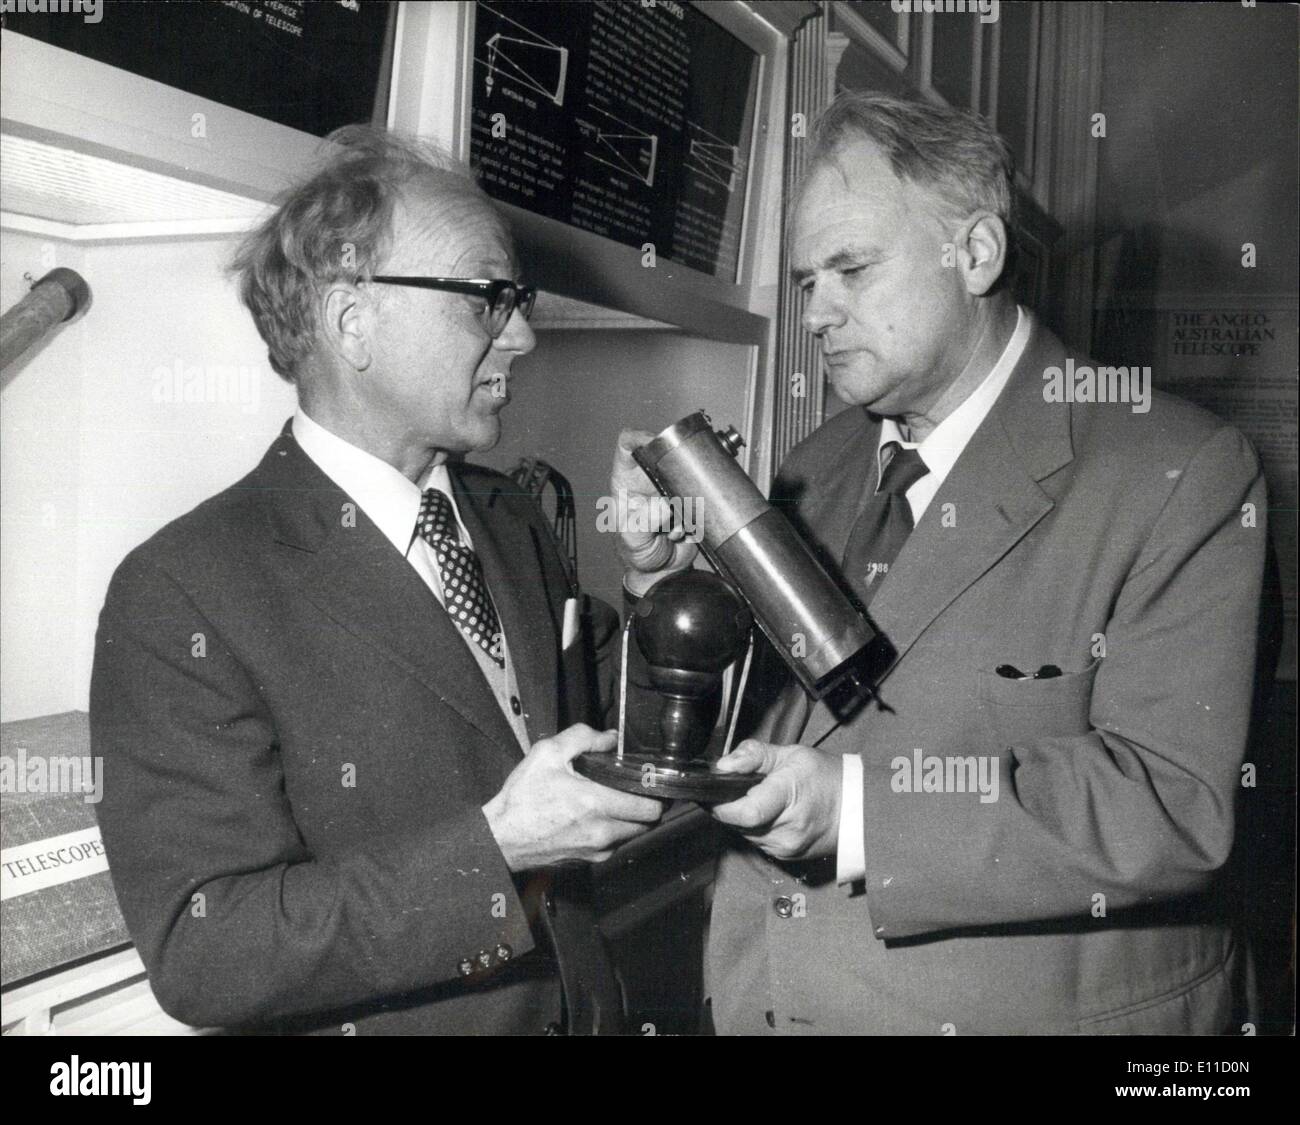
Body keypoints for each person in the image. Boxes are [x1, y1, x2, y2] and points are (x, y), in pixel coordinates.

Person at [614, 91, 1268, 1034]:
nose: (818, 314)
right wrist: (658, 584)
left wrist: (860, 815)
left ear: (977, 253)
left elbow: (1175, 803)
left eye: (851, 269)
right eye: (805, 282)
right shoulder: (814, 469)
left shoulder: (1180, 469)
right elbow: (720, 744)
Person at [90, 126, 661, 1035]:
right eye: (486, 298)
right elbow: (208, 951)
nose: (521, 333)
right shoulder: (183, 589)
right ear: (353, 323)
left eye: (516, 299)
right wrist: (496, 849)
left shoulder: (509, 516)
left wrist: (650, 580)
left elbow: (611, 734)